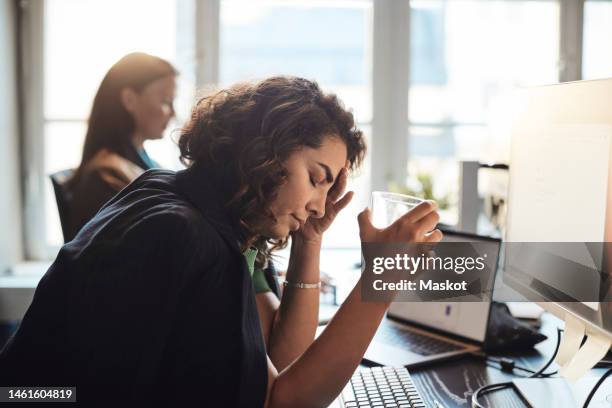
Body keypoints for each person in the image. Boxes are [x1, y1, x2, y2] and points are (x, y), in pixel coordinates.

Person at [0, 76, 442, 407]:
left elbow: (281, 360)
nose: (319, 205)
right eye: (316, 179)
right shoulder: (190, 237)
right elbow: (282, 402)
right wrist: (384, 276)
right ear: (266, 150)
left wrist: (310, 240)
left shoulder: (198, 204)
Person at [66, 52, 177, 240]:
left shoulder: (141, 164)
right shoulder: (105, 175)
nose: (173, 113)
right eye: (165, 101)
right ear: (129, 100)